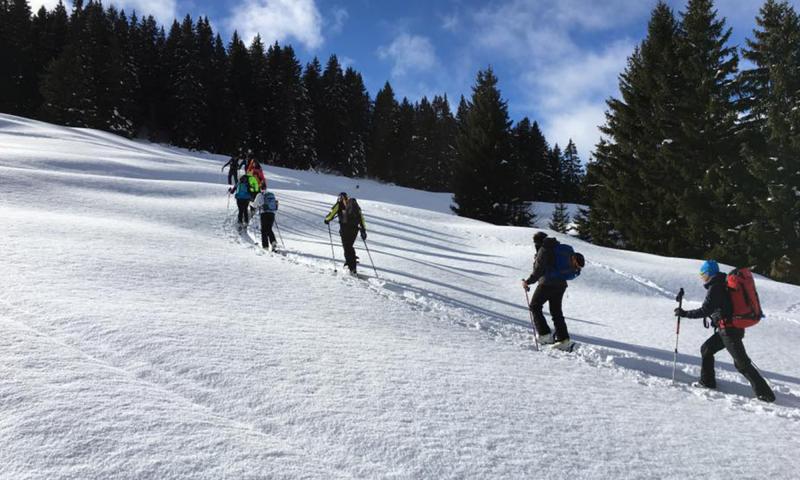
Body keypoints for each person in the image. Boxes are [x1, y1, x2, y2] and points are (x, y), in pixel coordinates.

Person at [674, 260, 775, 402]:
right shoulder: (721, 283)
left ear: (709, 273)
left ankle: (766, 394)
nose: (701, 277)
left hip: (729, 331)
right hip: (728, 329)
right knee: (707, 349)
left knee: (741, 363)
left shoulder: (715, 287)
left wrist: (685, 314)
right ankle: (707, 382)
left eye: (703, 273)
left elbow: (705, 310)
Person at [522, 232, 577, 351]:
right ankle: (563, 340)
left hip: (547, 283)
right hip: (561, 284)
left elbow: (539, 270)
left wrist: (528, 281)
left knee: (535, 306)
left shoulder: (544, 249)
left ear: (538, 241)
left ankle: (545, 334)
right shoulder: (557, 248)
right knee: (556, 312)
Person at [324, 192, 367, 274]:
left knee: (347, 247)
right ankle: (352, 263)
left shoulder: (339, 204)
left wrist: (327, 220)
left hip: (345, 229)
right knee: (349, 246)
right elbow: (361, 217)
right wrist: (363, 229)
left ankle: (351, 267)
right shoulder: (354, 205)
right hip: (355, 230)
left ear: (340, 197)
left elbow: (331, 214)